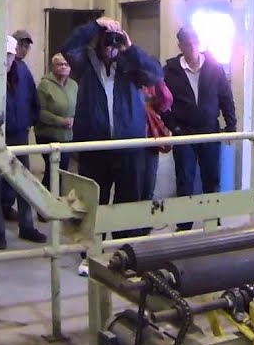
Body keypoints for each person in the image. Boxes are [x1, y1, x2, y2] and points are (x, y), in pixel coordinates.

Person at [62, 17, 162, 239]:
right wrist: (96, 24)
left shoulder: (131, 65)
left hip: (129, 147)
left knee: (127, 205)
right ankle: (91, 250)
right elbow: (68, 48)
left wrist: (130, 49)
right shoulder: (86, 63)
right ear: (98, 41)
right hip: (94, 148)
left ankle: (124, 249)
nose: (110, 47)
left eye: (114, 41)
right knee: (92, 204)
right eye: (106, 41)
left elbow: (155, 75)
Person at [163, 27, 237, 231]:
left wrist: (231, 126)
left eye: (195, 43)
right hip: (184, 134)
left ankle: (212, 220)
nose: (193, 48)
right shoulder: (170, 71)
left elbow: (226, 97)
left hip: (210, 131)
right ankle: (184, 225)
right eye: (188, 44)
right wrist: (174, 127)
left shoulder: (214, 67)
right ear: (180, 46)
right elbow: (162, 102)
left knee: (211, 179)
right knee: (184, 180)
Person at [0, 33, 46, 242]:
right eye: (3, 55)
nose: (6, 59)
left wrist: (28, 121)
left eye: (9, 55)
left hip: (19, 135)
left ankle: (27, 226)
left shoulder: (23, 71)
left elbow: (33, 98)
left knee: (24, 182)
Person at [36, 52, 77, 192]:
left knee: (62, 170)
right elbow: (40, 111)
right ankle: (44, 197)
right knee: (52, 171)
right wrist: (60, 121)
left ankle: (54, 196)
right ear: (53, 67)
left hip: (68, 136)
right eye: (60, 64)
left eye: (66, 64)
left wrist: (74, 120)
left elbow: (79, 107)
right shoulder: (44, 85)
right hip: (48, 135)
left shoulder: (74, 85)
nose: (63, 67)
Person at [142, 80, 174, 202]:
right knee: (135, 189)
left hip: (149, 138)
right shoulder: (125, 80)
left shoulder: (152, 81)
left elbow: (166, 100)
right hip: (134, 138)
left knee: (146, 187)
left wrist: (158, 79)